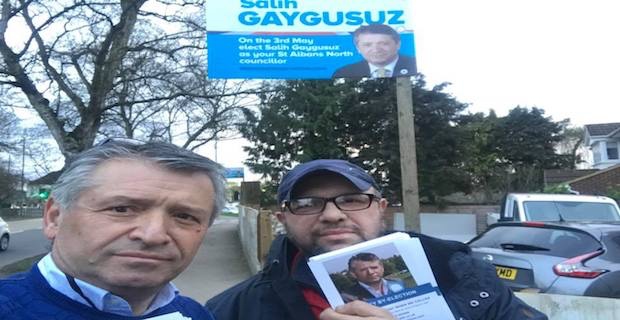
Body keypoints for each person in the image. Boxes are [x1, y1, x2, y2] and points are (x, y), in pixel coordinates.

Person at [206, 159, 548, 320]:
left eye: (353, 199)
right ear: (282, 219)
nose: (332, 215)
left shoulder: (462, 274)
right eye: (307, 203)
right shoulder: (233, 309)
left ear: (381, 209)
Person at [0, 139, 226, 319]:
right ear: (54, 218)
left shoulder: (195, 314)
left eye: (184, 216)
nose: (153, 235)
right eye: (121, 209)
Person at [332, 24, 417, 79]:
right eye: (368, 45)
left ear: (398, 44)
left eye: (383, 43)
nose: (376, 50)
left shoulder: (414, 65)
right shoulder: (344, 72)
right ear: (358, 48)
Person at [340, 253, 406, 302]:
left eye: (374, 267)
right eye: (363, 270)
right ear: (353, 274)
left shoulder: (398, 282)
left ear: (382, 268)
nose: (370, 272)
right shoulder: (347, 296)